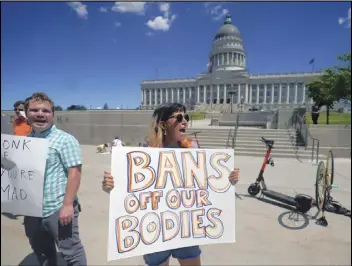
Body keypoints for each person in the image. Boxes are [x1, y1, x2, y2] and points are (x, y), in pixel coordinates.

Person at [102, 103, 240, 266]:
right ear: (163, 124)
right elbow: (128, 188)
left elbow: (208, 184)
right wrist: (109, 185)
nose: (185, 122)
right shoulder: (146, 153)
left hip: (186, 227)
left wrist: (228, 180)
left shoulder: (194, 150)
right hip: (155, 229)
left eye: (186, 117)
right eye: (179, 117)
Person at [23, 92, 87, 266]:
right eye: (34, 110)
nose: (40, 114)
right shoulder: (25, 142)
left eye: (46, 110)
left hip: (57, 209)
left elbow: (75, 172)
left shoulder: (65, 140)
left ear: (53, 115)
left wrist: (67, 205)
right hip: (32, 211)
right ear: (26, 113)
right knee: (43, 253)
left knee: (71, 252)